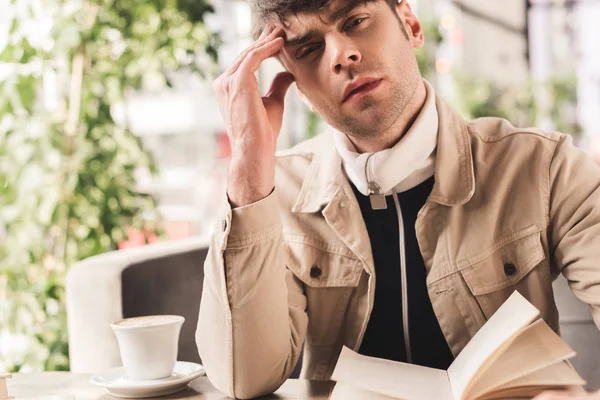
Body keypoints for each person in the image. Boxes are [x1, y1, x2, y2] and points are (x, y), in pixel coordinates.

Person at [195, 0, 600, 399]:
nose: (341, 55)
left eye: (355, 20)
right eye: (309, 49)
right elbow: (243, 378)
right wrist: (248, 165)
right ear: (295, 85)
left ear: (411, 25)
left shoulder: (542, 166)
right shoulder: (274, 191)